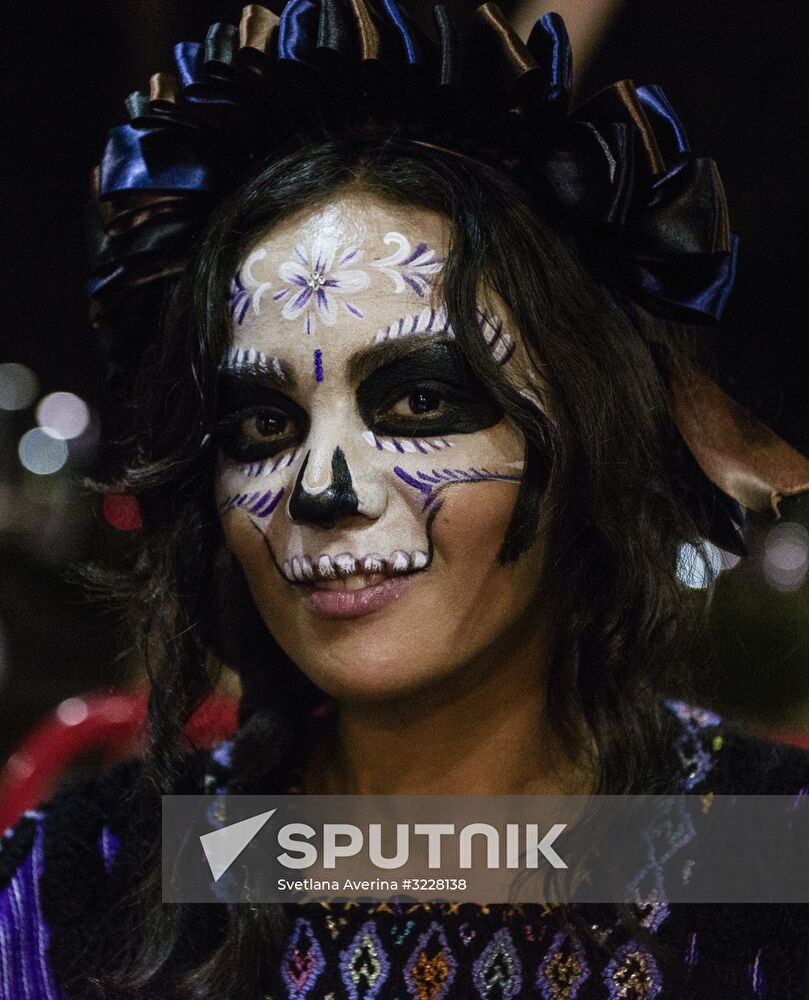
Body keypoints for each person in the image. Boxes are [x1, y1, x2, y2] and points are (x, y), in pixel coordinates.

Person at [1, 2, 808, 998]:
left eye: (420, 399)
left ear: (589, 437)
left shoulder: (770, 854)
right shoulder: (90, 880)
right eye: (261, 424)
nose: (320, 486)